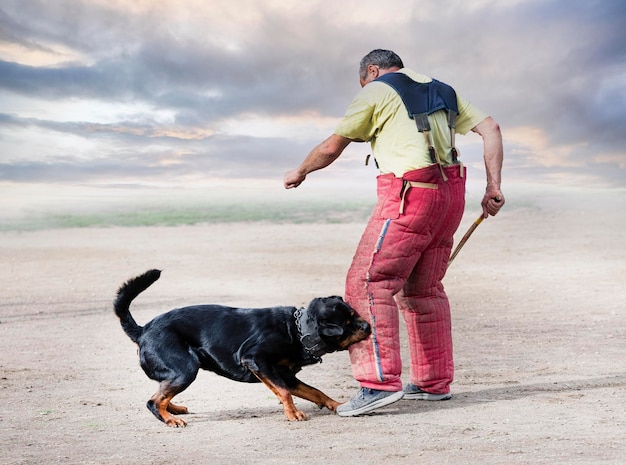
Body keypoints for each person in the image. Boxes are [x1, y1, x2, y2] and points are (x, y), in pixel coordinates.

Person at [283, 49, 504, 417]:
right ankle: (433, 384)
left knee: (368, 282)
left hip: (410, 194)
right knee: (424, 290)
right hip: (451, 197)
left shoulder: (376, 90)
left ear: (371, 71)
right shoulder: (443, 89)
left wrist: (301, 171)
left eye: (363, 80)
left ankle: (377, 384)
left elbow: (332, 146)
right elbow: (491, 129)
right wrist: (493, 186)